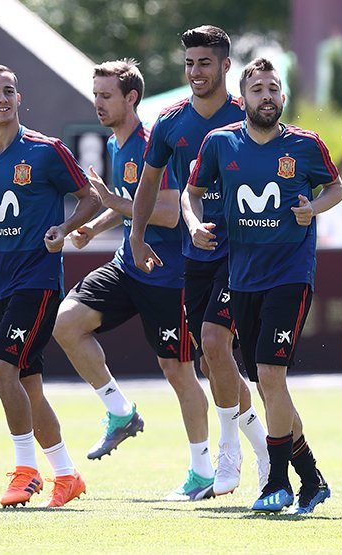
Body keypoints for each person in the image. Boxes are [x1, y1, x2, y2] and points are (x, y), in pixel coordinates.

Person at [183, 57, 342, 514]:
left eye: (273, 88)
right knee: (267, 385)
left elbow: (336, 189)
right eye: (258, 90)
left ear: (283, 96)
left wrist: (313, 209)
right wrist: (194, 224)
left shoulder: (305, 144)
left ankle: (277, 482)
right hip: (242, 278)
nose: (267, 96)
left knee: (271, 377)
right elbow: (192, 193)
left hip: (290, 275)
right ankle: (311, 477)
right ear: (244, 98)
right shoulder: (220, 143)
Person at [0, 64, 101, 508]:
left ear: (19, 98)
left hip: (38, 280)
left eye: (9, 90)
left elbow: (90, 197)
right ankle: (66, 475)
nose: (2, 98)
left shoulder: (46, 150)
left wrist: (65, 228)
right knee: (28, 384)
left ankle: (27, 472)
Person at [51, 59, 215, 501]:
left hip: (166, 276)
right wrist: (95, 226)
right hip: (128, 266)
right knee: (67, 323)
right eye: (96, 94)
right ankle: (120, 413)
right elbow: (129, 201)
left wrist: (111, 203)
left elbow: (167, 212)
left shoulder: (150, 144)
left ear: (132, 98)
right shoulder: (115, 142)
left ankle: (203, 472)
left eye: (106, 95)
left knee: (178, 372)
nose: (98, 103)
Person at [129, 25, 270, 497]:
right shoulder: (169, 122)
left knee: (213, 342)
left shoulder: (249, 114)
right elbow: (149, 183)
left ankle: (227, 457)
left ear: (226, 66)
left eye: (204, 63)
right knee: (214, 361)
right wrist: (137, 235)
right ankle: (267, 451)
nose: (195, 71)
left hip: (244, 253)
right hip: (196, 255)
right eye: (189, 63)